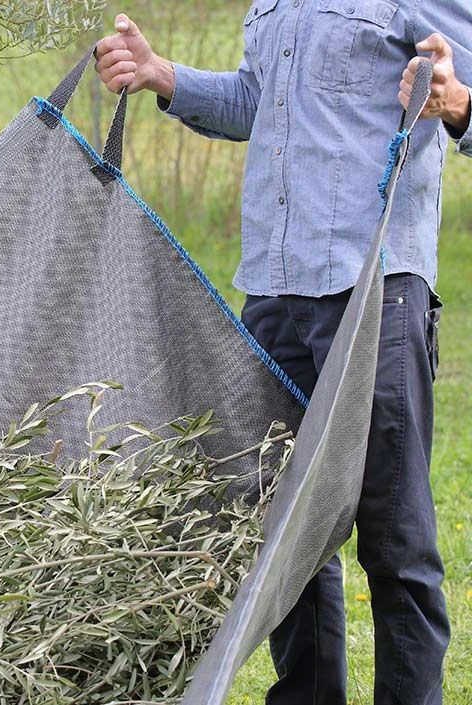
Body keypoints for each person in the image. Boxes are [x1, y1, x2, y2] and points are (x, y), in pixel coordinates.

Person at [94, 4, 471, 705]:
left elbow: (463, 91)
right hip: (274, 287)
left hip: (375, 288)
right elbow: (256, 103)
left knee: (396, 536)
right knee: (278, 532)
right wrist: (159, 74)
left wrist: (455, 104)